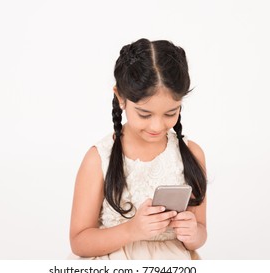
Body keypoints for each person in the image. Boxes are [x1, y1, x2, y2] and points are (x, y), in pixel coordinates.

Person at [69, 38, 207, 260]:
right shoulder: (99, 158)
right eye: (145, 114)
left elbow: (200, 231)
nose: (157, 126)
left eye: (171, 113)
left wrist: (192, 233)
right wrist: (132, 230)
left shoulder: (191, 154)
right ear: (120, 97)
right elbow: (79, 242)